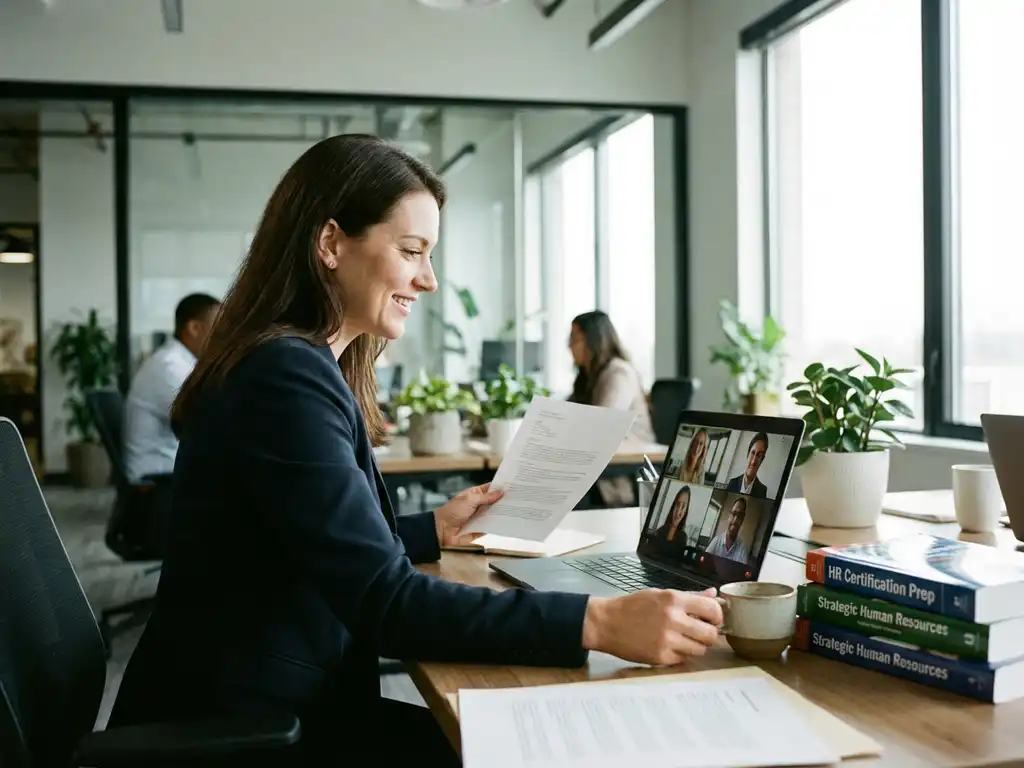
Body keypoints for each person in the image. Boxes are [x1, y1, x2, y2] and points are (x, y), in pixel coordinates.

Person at [106, 135, 723, 765]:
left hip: (268, 698)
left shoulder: (289, 363)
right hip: (254, 728)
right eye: (411, 251)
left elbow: (303, 541)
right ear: (330, 244)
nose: (427, 279)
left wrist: (432, 529)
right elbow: (389, 604)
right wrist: (600, 623)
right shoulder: (284, 377)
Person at [123, 293, 221, 483]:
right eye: (219, 328)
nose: (225, 336)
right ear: (194, 328)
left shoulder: (182, 363)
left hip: (171, 469)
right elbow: (210, 423)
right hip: (157, 479)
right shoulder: (170, 368)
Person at [567, 310, 655, 444]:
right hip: (604, 449)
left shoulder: (620, 373)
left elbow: (604, 424)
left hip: (634, 450)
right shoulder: (586, 377)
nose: (569, 345)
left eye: (575, 339)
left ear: (594, 342)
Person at [705, 498, 751, 564]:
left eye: (739, 516)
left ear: (742, 520)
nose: (735, 520)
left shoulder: (742, 550)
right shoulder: (716, 541)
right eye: (733, 513)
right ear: (729, 516)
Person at [726, 432, 769, 498]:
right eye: (752, 453)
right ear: (748, 454)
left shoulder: (762, 490)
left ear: (762, 460)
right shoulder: (732, 483)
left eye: (759, 455)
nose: (753, 461)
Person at [651, 486, 691, 557]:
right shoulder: (660, 531)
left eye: (683, 506)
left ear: (686, 511)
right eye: (678, 505)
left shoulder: (683, 538)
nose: (678, 511)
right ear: (673, 506)